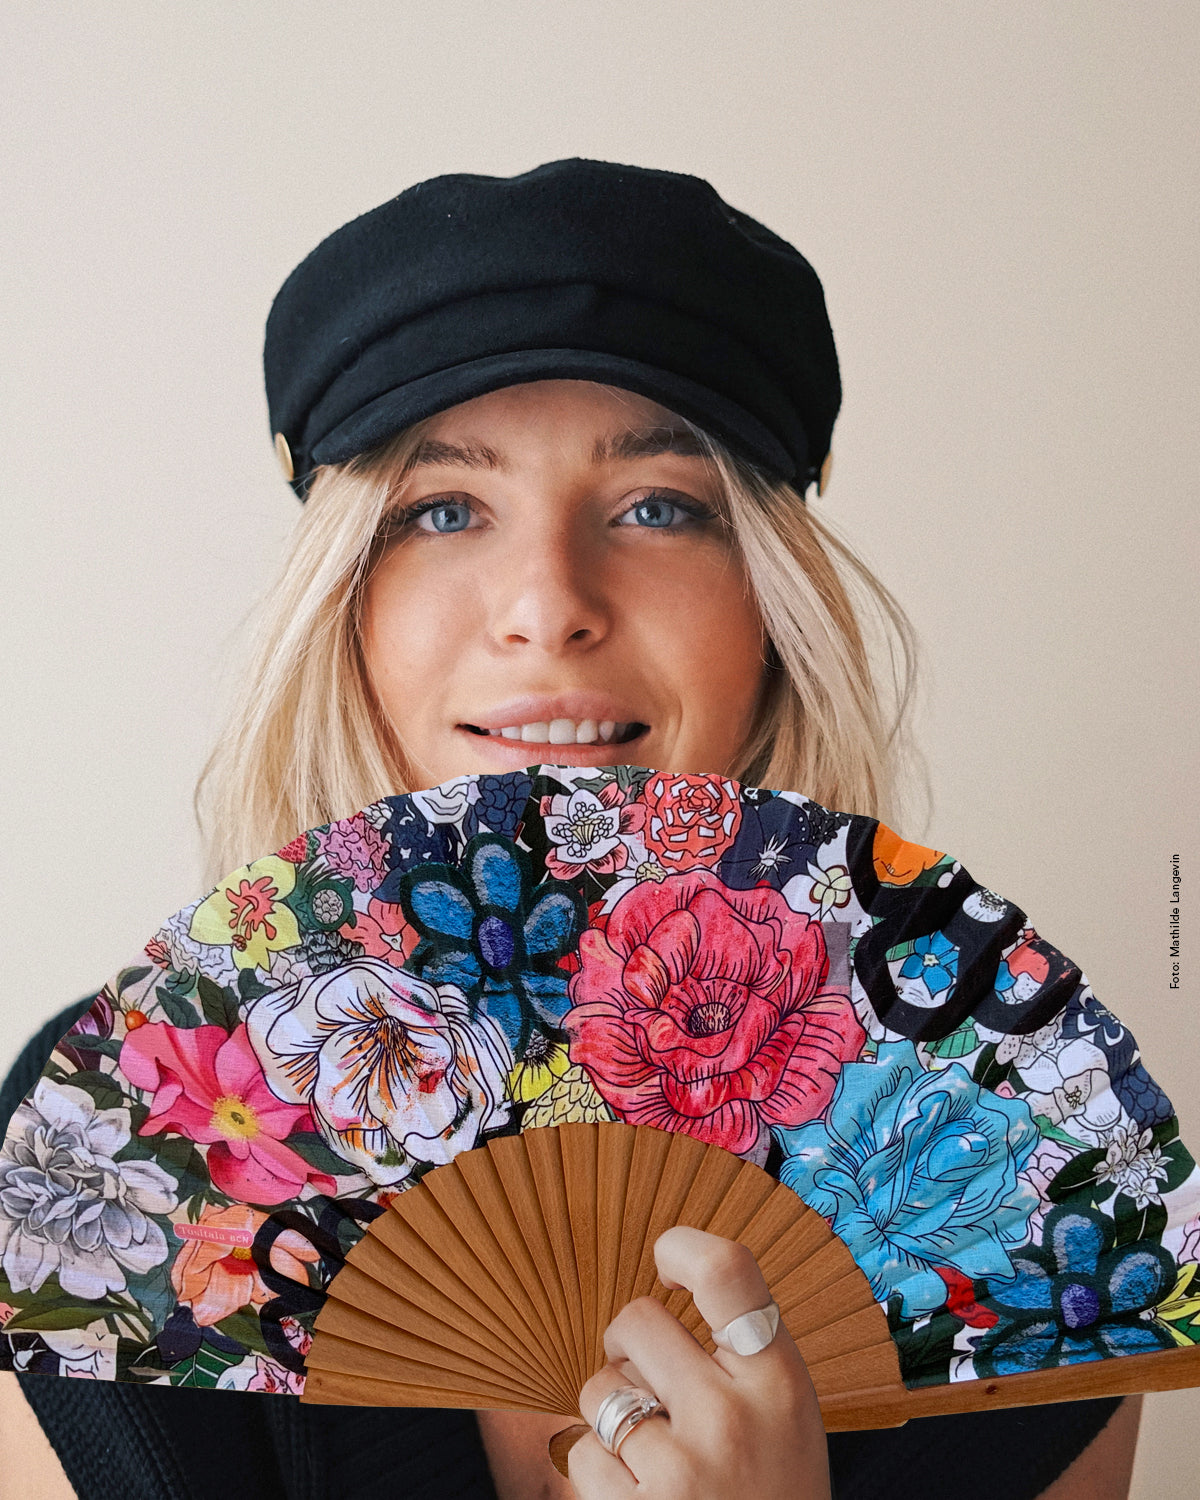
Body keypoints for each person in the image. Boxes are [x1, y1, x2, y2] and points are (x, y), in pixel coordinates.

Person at [0, 158, 1141, 1499]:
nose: (548, 605)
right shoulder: (123, 1160)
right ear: (346, 607)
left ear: (773, 610)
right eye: (443, 510)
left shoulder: (1024, 1184)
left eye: (658, 507)